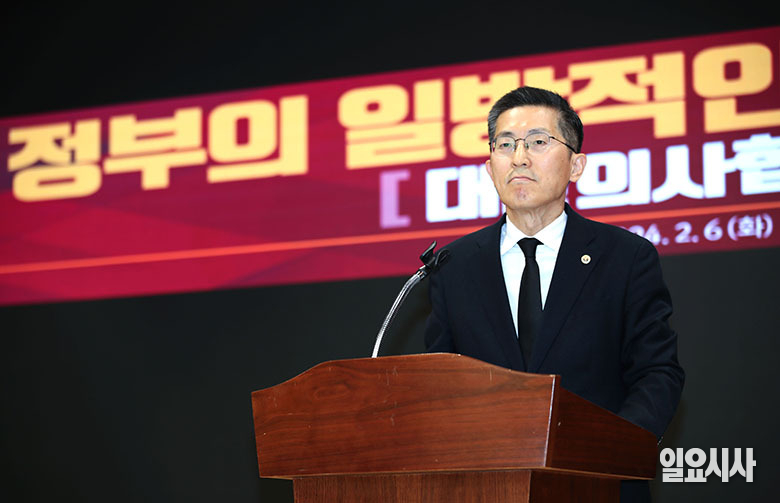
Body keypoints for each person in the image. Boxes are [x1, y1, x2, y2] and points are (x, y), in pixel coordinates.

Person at [424, 86, 684, 503]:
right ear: (489, 168)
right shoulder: (454, 265)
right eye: (505, 145)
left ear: (576, 165)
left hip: (598, 483)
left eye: (538, 142)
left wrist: (611, 450)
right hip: (485, 486)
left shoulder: (625, 256)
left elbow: (657, 372)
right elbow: (438, 386)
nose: (519, 157)